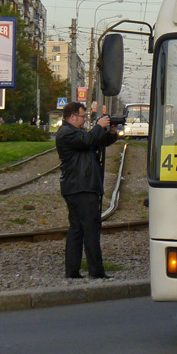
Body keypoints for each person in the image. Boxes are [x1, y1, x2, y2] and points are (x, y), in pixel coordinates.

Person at [55, 102, 118, 279]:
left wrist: (111, 133)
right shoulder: (66, 133)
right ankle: (96, 271)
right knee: (90, 229)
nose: (84, 121)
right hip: (81, 187)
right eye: (83, 117)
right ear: (72, 116)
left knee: (77, 229)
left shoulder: (76, 133)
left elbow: (95, 142)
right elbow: (88, 141)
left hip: (79, 186)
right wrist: (99, 126)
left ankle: (73, 271)